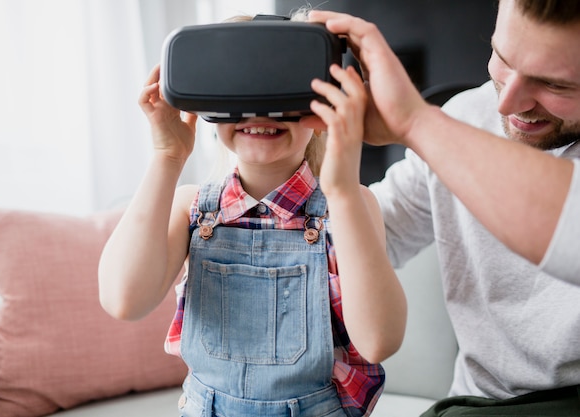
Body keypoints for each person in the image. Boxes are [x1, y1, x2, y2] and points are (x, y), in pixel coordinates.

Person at [97, 14, 407, 416]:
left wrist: (344, 189)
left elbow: (378, 341)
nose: (261, 113)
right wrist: (167, 157)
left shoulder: (348, 205)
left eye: (282, 89)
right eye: (240, 87)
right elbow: (124, 300)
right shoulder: (192, 208)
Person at [303, 0, 580, 415]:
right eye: (502, 59)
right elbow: (366, 239)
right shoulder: (466, 115)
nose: (506, 105)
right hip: (474, 404)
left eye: (554, 85)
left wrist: (415, 123)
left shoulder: (438, 131)